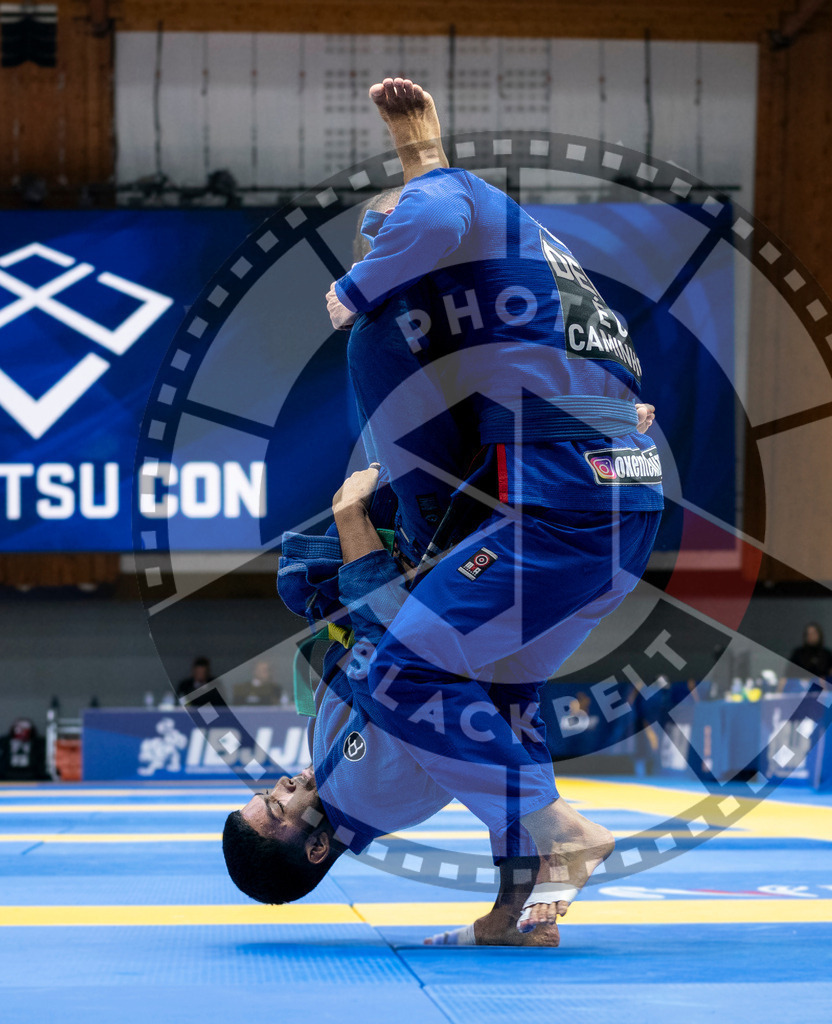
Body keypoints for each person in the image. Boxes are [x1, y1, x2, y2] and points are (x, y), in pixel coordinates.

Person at [323, 77, 663, 934]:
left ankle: (560, 830)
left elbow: (432, 211)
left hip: (568, 505)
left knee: (401, 671)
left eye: (382, 237)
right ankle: (519, 912)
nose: (384, 254)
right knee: (500, 689)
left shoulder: (449, 213)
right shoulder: (535, 267)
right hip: (613, 495)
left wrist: (355, 289)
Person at [224, 467, 560, 947]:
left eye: (267, 793)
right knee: (431, 413)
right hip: (431, 563)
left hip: (437, 580)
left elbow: (510, 787)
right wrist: (351, 519)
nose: (281, 784)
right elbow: (391, 653)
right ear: (318, 846)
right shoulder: (364, 790)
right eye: (278, 807)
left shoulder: (340, 783)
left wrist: (508, 910)